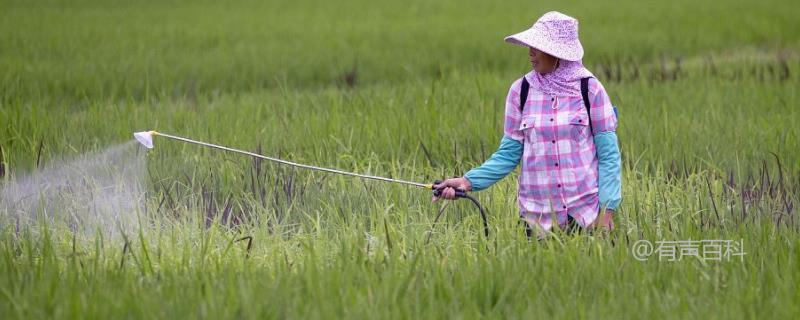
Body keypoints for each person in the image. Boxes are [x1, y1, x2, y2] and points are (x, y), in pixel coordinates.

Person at [433, 11, 621, 237]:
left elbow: (609, 156)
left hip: (584, 217)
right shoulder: (520, 91)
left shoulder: (590, 89)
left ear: (558, 52)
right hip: (535, 220)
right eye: (530, 45)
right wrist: (466, 182)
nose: (531, 53)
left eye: (538, 46)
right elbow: (508, 155)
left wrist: (606, 214)